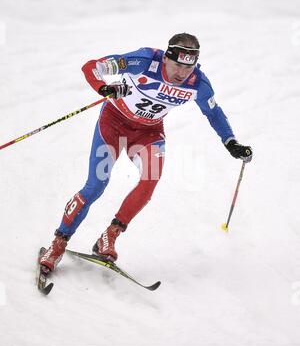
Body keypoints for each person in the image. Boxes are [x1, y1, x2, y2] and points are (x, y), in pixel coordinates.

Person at [40, 32, 253, 273]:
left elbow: (213, 113)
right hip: (113, 124)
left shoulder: (198, 84)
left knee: (150, 180)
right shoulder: (143, 61)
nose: (181, 73)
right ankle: (58, 243)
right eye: (177, 65)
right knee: (96, 184)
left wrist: (231, 141)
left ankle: (109, 237)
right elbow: (91, 67)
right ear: (166, 59)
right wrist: (104, 87)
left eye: (188, 67)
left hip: (148, 133)